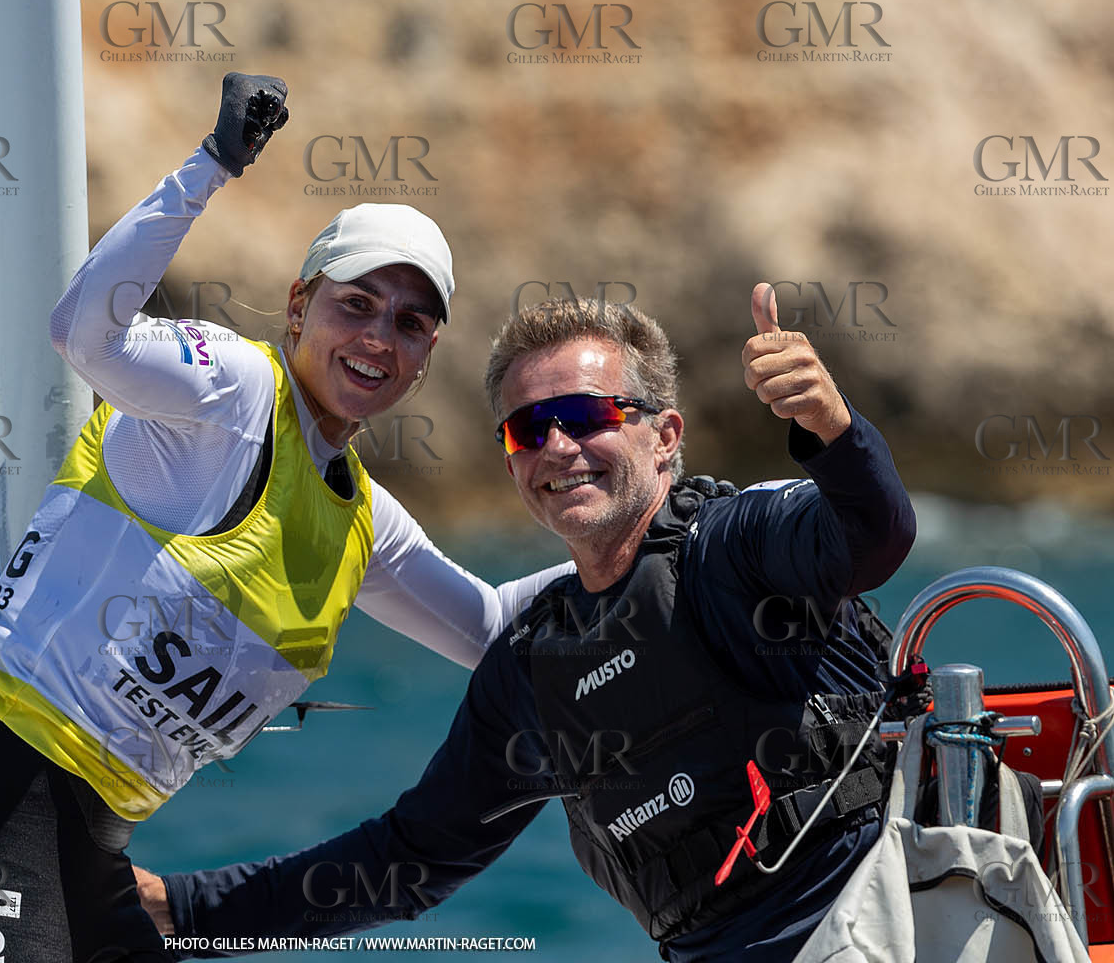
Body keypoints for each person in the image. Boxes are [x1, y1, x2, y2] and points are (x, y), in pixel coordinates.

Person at [0, 72, 569, 963]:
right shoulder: (232, 393)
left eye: (411, 323)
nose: (379, 339)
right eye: (355, 304)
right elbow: (84, 335)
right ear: (299, 306)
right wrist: (211, 165)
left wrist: (668, 533)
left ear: (428, 354)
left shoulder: (365, 524)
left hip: (88, 848)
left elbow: (496, 631)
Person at [136, 288, 918, 961]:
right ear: (511, 462)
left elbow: (874, 535)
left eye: (585, 416)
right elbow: (409, 859)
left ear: (665, 436)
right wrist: (180, 909)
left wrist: (830, 426)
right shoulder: (532, 668)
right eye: (527, 429)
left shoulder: (738, 546)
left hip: (882, 919)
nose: (558, 447)